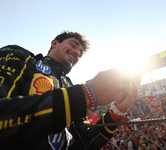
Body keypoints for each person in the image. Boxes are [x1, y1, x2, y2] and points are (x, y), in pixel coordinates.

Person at [0, 31, 142, 149]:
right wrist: (84, 95)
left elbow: (82, 144)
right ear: (54, 43)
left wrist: (116, 113)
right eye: (73, 45)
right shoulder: (19, 55)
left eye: (80, 53)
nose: (76, 53)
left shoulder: (71, 87)